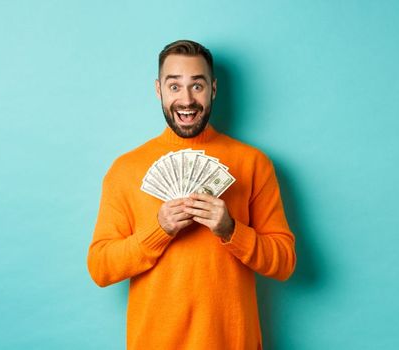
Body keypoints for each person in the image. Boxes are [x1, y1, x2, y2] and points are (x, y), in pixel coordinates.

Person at [86, 39, 296, 350]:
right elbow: (100, 268)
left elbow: (284, 262)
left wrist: (231, 230)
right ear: (159, 90)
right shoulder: (125, 169)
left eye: (196, 86)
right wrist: (159, 231)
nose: (186, 99)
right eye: (174, 87)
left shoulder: (253, 163)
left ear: (213, 89)